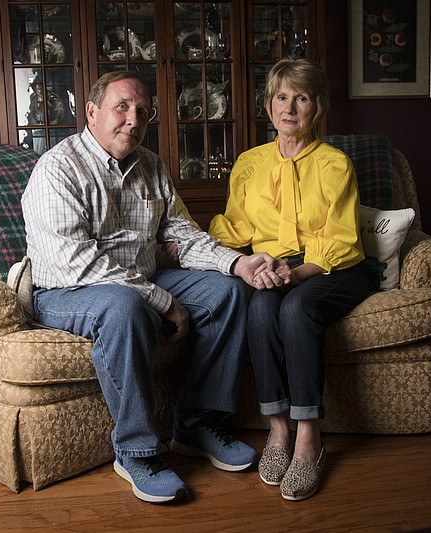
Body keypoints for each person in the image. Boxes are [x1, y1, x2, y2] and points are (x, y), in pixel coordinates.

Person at [21, 70, 287, 504]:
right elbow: (78, 262)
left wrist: (237, 263)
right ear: (91, 111)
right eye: (122, 107)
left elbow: (181, 235)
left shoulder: (150, 164)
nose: (133, 119)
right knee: (124, 307)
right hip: (68, 290)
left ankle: (196, 423)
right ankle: (136, 452)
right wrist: (164, 302)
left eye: (143, 111)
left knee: (228, 292)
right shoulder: (58, 168)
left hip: (141, 277)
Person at [208, 59, 369, 501]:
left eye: (301, 97)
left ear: (317, 107)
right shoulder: (249, 163)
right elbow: (235, 227)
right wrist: (215, 252)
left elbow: (341, 239)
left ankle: (308, 439)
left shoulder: (335, 164)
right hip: (273, 263)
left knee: (297, 309)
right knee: (259, 309)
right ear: (269, 104)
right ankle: (277, 429)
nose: (290, 107)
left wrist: (293, 274)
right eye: (282, 97)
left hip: (333, 267)